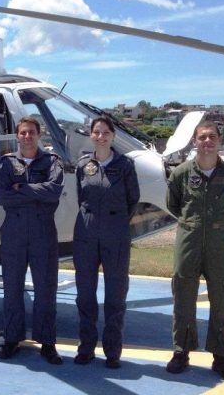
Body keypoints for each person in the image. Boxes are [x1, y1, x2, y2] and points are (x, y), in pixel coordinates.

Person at [165, 120, 224, 381]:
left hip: (219, 245)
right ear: (194, 142)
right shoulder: (181, 174)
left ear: (219, 141)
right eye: (202, 137)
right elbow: (174, 205)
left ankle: (221, 357)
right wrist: (196, 226)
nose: (207, 141)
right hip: (188, 242)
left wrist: (214, 227)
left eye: (212, 137)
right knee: (183, 297)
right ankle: (181, 352)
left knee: (222, 299)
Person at [0, 117, 65, 364]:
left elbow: (53, 191)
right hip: (13, 232)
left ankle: (47, 342)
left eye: (31, 132)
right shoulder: (6, 164)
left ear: (38, 134)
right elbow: (3, 197)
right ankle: (12, 339)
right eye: (23, 133)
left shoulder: (51, 162)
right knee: (12, 288)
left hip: (43, 232)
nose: (27, 137)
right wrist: (36, 191)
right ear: (17, 136)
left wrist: (21, 189)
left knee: (46, 288)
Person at [72, 116, 140, 369]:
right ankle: (86, 347)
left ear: (113, 136)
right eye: (96, 132)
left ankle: (113, 351)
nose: (101, 137)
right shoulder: (83, 165)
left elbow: (133, 199)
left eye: (106, 133)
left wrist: (115, 220)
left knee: (115, 294)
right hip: (86, 234)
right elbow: (82, 198)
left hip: (116, 235)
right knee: (85, 294)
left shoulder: (125, 165)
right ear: (91, 135)